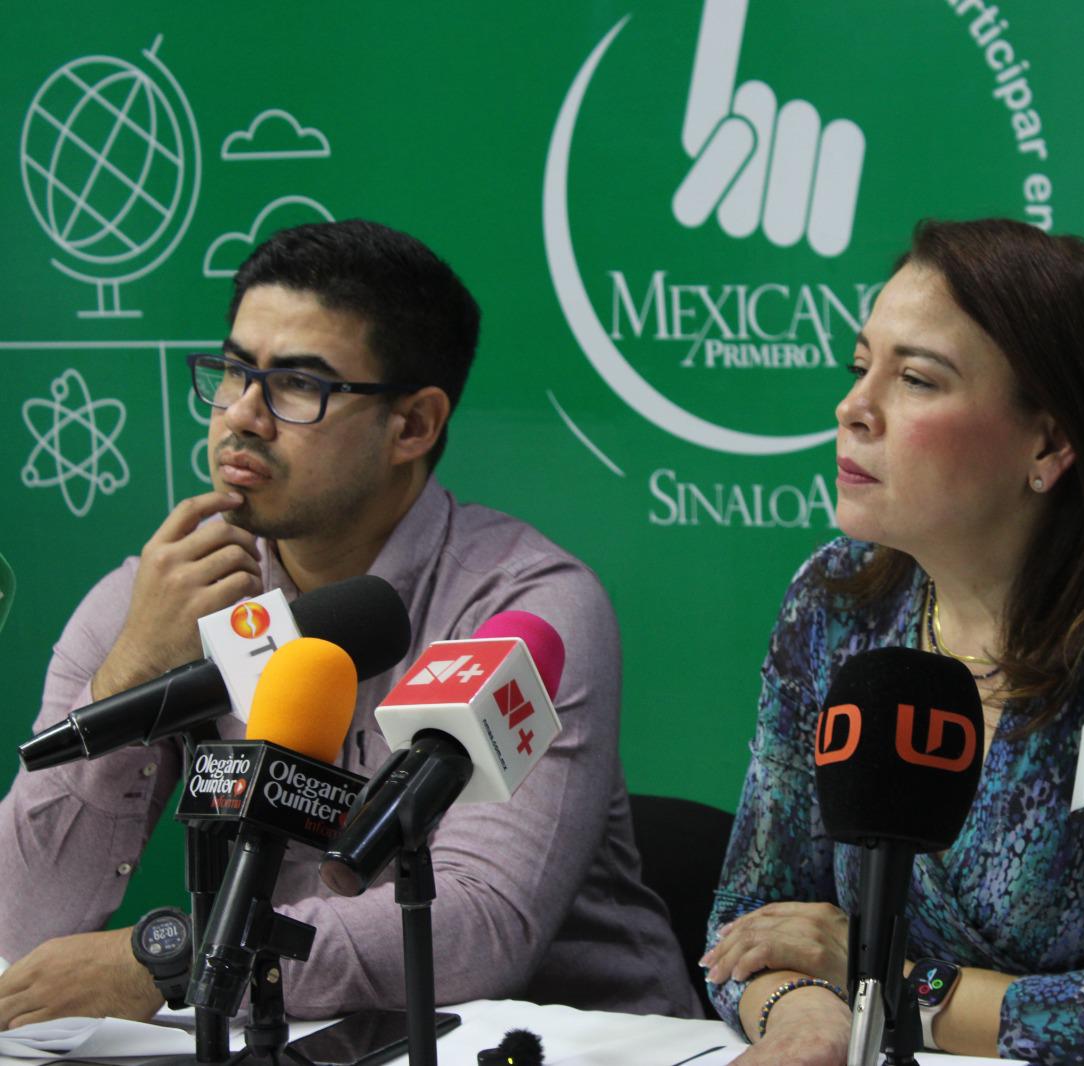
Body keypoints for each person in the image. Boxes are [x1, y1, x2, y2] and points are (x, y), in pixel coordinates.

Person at [0, 220, 697, 1027]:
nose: (242, 417)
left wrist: (187, 959)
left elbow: (479, 925)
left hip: (569, 1042)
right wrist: (130, 671)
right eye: (234, 371)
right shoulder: (165, 596)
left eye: (299, 384)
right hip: (299, 1037)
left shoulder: (523, 609)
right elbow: (24, 920)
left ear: (414, 426)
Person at [700, 219, 1084, 1065]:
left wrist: (893, 987)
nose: (853, 408)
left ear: (1049, 442)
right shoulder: (835, 602)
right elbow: (750, 922)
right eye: (859, 367)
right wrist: (808, 1019)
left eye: (915, 379)